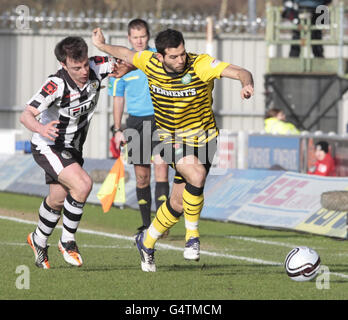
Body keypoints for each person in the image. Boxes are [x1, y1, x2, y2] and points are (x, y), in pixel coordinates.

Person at [92, 27, 254, 272]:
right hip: (170, 138)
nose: (181, 60)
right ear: (159, 57)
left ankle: (146, 242)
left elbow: (242, 71)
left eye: (182, 54)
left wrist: (246, 85)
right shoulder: (150, 62)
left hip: (205, 139)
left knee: (177, 203)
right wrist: (102, 46)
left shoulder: (201, 64)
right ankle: (193, 237)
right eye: (174, 57)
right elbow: (125, 52)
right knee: (196, 174)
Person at [19, 36, 125, 269]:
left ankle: (38, 240)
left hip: (73, 148)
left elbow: (129, 60)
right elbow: (26, 114)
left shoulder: (97, 66)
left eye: (85, 64)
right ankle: (67, 241)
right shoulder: (55, 85)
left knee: (57, 200)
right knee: (83, 185)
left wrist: (132, 65)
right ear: (63, 65)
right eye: (76, 67)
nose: (84, 70)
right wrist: (40, 127)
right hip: (49, 145)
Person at [108, 19, 169, 235]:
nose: (139, 40)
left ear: (148, 36)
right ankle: (146, 224)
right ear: (129, 39)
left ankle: (163, 224)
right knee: (142, 176)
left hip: (161, 119)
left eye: (142, 35)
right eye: (135, 37)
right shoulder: (121, 65)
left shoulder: (157, 57)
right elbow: (117, 98)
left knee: (161, 167)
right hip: (135, 122)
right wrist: (117, 129)